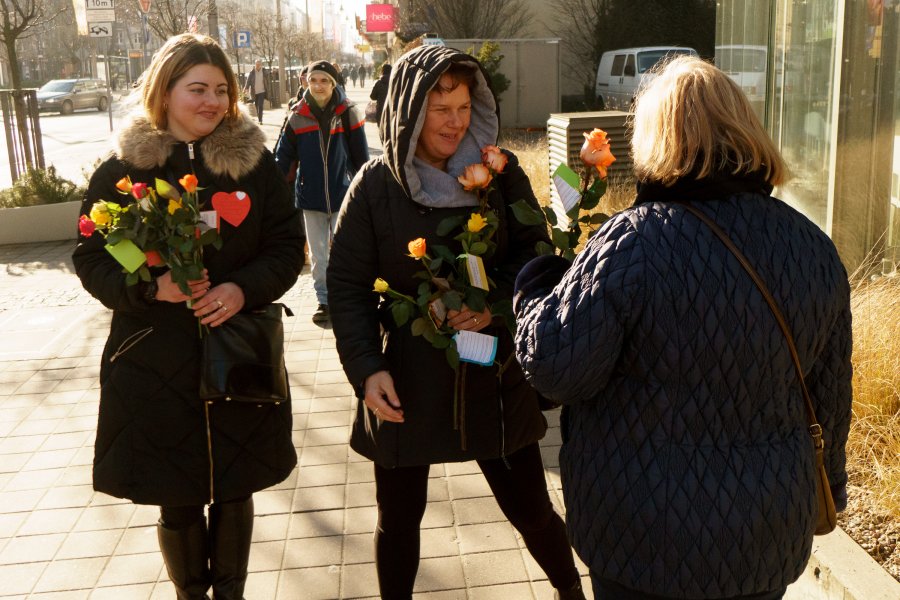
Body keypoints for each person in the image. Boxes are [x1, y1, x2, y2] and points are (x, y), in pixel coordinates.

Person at [513, 55, 852, 600]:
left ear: (654, 137)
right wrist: (827, 484)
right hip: (763, 535)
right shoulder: (812, 247)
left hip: (639, 536)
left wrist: (534, 285)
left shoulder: (631, 243)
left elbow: (556, 369)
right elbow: (831, 395)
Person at [327, 45, 588, 600]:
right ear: (407, 111)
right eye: (438, 107)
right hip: (404, 381)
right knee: (398, 519)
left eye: (463, 106)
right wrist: (366, 369)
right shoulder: (376, 187)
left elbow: (539, 260)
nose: (454, 121)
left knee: (532, 510)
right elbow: (347, 288)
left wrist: (493, 306)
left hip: (489, 370)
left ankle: (572, 593)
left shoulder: (499, 174)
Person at [73, 34, 304, 600]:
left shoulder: (254, 165)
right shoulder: (123, 174)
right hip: (154, 362)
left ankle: (230, 594)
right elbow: (91, 257)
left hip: (239, 356)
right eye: (197, 88)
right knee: (175, 495)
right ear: (164, 91)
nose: (212, 102)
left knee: (235, 488)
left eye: (222, 90)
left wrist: (238, 290)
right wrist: (153, 288)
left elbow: (286, 247)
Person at [275, 60, 368, 324]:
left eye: (324, 80)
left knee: (345, 249)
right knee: (318, 254)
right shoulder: (296, 115)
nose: (318, 85)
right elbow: (283, 158)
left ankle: (347, 297)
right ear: (306, 82)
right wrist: (271, 184)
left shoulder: (348, 112)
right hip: (310, 196)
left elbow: (361, 156)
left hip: (344, 194)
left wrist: (364, 187)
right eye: (314, 80)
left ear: (333, 83)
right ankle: (325, 301)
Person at [242, 59, 269, 124]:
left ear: (261, 65)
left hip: (262, 91)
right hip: (254, 92)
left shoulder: (264, 72)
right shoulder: (252, 72)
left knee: (260, 105)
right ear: (255, 65)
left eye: (259, 64)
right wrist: (246, 88)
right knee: (256, 105)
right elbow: (248, 81)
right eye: (256, 64)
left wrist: (267, 88)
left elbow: (267, 80)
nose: (257, 66)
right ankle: (259, 118)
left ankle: (260, 120)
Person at [369, 63, 391, 138]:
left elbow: (372, 96)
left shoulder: (378, 83)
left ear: (382, 72)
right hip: (393, 109)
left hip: (381, 109)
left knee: (382, 130)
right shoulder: (396, 82)